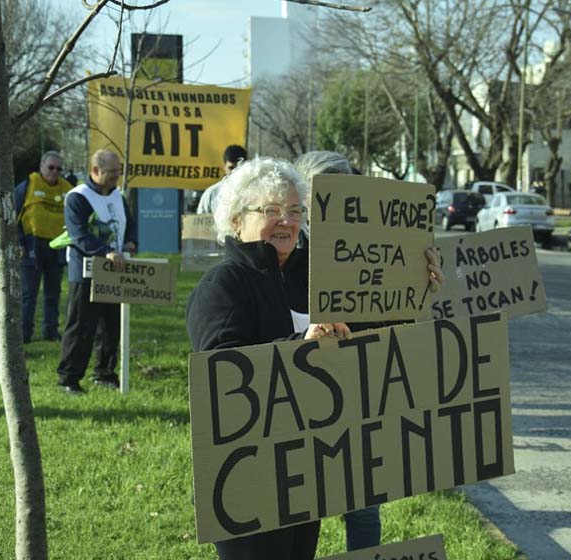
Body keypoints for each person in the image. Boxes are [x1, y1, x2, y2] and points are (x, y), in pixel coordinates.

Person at [186, 157, 350, 559]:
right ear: (237, 220)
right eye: (271, 210)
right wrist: (301, 344)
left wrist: (419, 278)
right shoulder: (222, 285)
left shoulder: (313, 275)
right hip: (250, 476)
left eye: (295, 212)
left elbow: (369, 326)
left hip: (307, 466)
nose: (287, 221)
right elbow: (222, 372)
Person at [294, 150, 444, 552]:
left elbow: (406, 326)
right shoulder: (285, 254)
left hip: (363, 387)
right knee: (297, 507)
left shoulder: (391, 249)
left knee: (362, 505)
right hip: (300, 394)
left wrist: (422, 285)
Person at [56, 149, 137, 395]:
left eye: (118, 172)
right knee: (81, 325)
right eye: (111, 172)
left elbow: (130, 226)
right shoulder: (77, 197)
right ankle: (69, 378)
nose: (116, 177)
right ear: (94, 171)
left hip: (116, 271)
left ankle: (104, 372)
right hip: (86, 272)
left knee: (112, 326)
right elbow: (79, 235)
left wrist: (132, 242)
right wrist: (105, 251)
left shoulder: (119, 196)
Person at [15, 150, 72, 343]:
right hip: (32, 244)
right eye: (50, 167)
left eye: (58, 169)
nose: (54, 172)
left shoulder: (68, 189)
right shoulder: (28, 185)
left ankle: (50, 331)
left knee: (53, 292)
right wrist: (19, 242)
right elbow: (12, 215)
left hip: (57, 247)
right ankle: (24, 334)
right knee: (29, 293)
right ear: (41, 167)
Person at [196, 144, 247, 214]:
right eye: (231, 168)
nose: (234, 172)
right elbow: (200, 222)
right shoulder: (212, 194)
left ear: (246, 166)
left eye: (238, 168)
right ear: (224, 166)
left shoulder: (254, 194)